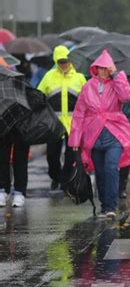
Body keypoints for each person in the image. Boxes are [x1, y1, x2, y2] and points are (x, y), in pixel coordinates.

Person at [68, 49, 130, 218]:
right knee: (100, 172)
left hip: (115, 133)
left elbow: (127, 96)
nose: (104, 71)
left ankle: (111, 206)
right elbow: (79, 114)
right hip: (94, 136)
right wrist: (75, 140)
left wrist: (118, 75)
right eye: (101, 68)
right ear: (95, 68)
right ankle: (105, 205)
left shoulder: (117, 82)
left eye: (107, 68)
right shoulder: (88, 86)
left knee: (112, 167)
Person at [37, 45, 87, 190]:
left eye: (66, 61)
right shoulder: (48, 76)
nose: (64, 64)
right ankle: (55, 176)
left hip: (74, 124)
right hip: (54, 123)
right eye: (60, 61)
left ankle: (65, 182)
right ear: (56, 61)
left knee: (71, 157)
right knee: (52, 156)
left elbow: (87, 100)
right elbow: (39, 96)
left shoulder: (79, 77)